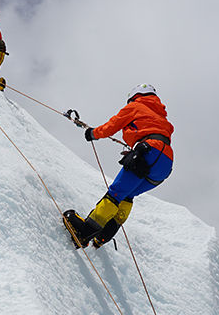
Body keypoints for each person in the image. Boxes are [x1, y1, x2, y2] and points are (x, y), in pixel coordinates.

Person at [63, 84, 174, 248]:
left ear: (135, 96)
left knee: (116, 193)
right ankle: (103, 236)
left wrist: (92, 133)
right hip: (165, 162)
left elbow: (112, 126)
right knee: (128, 195)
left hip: (149, 151)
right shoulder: (160, 115)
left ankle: (84, 233)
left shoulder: (136, 106)